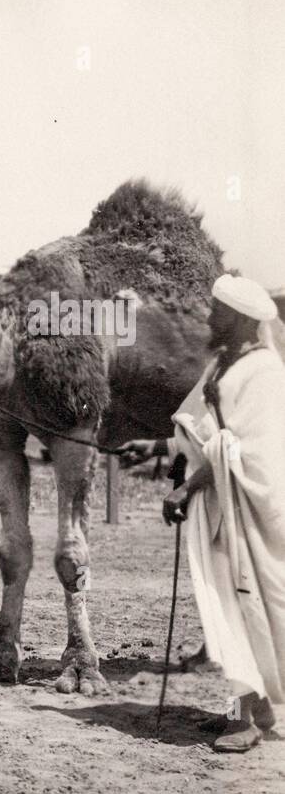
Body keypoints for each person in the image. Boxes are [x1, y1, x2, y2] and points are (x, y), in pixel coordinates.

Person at [120, 274, 285, 752]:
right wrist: (156, 446)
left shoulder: (266, 375)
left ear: (239, 318)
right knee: (226, 605)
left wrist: (186, 487)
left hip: (248, 516)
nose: (210, 318)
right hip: (219, 507)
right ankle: (249, 708)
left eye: (217, 311)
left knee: (243, 603)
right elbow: (205, 431)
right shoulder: (221, 365)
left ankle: (248, 723)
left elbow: (247, 452)